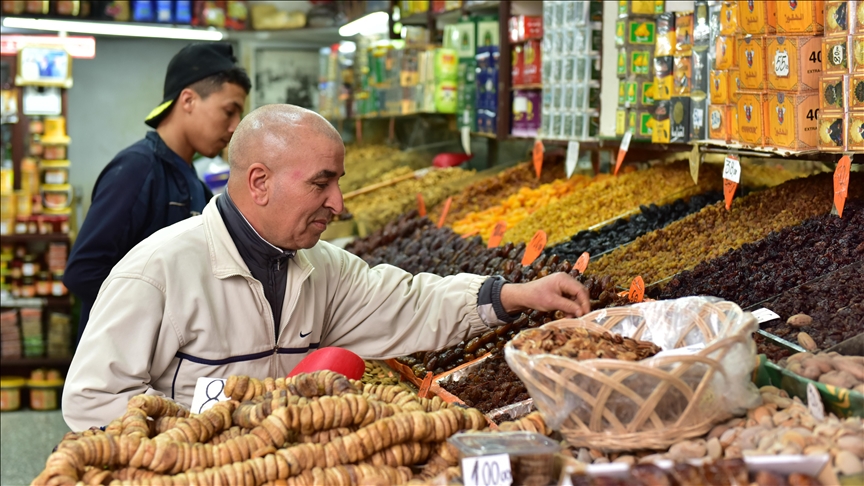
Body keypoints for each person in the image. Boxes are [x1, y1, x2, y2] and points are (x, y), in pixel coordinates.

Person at [62, 105, 592, 431]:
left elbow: (410, 303)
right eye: (321, 183)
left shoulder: (323, 268)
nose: (338, 203)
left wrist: (516, 294)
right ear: (259, 182)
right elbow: (92, 398)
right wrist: (216, 430)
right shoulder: (157, 271)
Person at [63, 43, 251, 342]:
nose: (234, 127)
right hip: (119, 361)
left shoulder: (192, 181)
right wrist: (161, 318)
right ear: (188, 100)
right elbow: (83, 271)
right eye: (229, 112)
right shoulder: (138, 168)